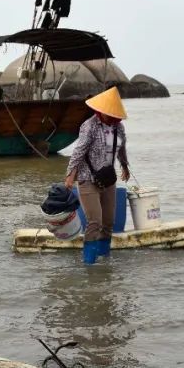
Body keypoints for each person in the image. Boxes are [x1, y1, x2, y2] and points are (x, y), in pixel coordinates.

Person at [64, 86, 131, 264]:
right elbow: (78, 151)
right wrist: (70, 175)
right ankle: (89, 263)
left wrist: (125, 166)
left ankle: (104, 261)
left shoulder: (119, 127)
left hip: (107, 179)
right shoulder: (90, 126)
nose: (112, 117)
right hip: (88, 179)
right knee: (95, 222)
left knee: (108, 222)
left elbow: (121, 147)